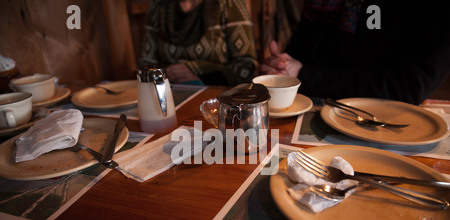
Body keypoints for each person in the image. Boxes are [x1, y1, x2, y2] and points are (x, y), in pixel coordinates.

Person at [260, 0, 450, 105]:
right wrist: (281, 68)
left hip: (392, 121)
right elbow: (301, 51)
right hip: (320, 109)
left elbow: (409, 86)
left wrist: (303, 75)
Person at [140, 0, 258, 86]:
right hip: (167, 93)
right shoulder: (158, 6)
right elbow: (146, 63)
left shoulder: (229, 4)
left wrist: (198, 75)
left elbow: (246, 67)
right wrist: (162, 77)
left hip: (215, 96)